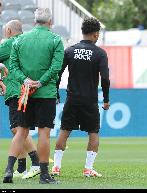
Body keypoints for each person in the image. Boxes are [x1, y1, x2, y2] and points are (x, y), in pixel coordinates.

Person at [2, 8, 64, 184]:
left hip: (25, 92)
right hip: (46, 93)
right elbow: (56, 67)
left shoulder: (20, 40)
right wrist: (41, 82)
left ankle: (8, 170)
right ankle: (44, 174)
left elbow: (13, 66)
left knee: (21, 131)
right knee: (44, 133)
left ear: (34, 21)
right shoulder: (55, 40)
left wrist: (26, 80)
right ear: (50, 22)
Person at [51, 17, 110, 178]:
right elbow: (105, 78)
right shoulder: (100, 53)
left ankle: (56, 167)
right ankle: (88, 169)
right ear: (96, 34)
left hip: (72, 99)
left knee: (64, 132)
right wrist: (106, 99)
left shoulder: (70, 51)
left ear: (83, 32)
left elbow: (58, 74)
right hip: (90, 100)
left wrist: (55, 93)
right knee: (93, 132)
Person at [0, 20, 41, 180]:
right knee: (17, 129)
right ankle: (22, 167)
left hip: (17, 91)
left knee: (19, 129)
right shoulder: (27, 42)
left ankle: (36, 163)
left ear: (9, 31)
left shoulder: (10, 43)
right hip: (25, 90)